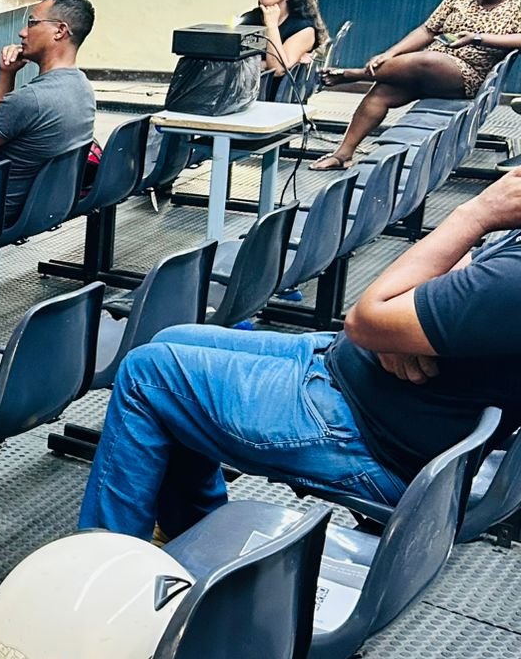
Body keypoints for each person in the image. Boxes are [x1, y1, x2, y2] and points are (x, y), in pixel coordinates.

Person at [78, 167, 521, 541]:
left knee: (148, 375)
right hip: (350, 374)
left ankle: (102, 573)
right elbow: (452, 270)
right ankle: (192, 530)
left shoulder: (513, 278)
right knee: (172, 339)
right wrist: (390, 331)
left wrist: (473, 214)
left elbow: (366, 319)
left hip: (364, 434)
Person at [311, 0, 521, 170]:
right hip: (426, 69)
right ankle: (343, 154)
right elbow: (428, 30)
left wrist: (477, 38)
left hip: (468, 75)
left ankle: (358, 74)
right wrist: (390, 53)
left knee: (428, 59)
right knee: (380, 93)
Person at [0, 0, 97, 226]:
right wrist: (7, 74)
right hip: (39, 207)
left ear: (60, 31)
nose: (22, 32)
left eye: (32, 23)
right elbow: (3, 123)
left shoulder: (31, 99)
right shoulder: (82, 88)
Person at [237, 0, 328, 99]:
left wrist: (272, 26)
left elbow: (277, 69)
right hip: (242, 93)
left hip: (273, 100)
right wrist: (263, 64)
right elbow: (231, 63)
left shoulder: (303, 27)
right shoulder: (249, 19)